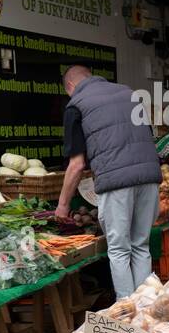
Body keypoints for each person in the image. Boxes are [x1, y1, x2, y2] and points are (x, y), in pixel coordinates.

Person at [57, 65, 162, 298]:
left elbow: (76, 164)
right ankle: (148, 307)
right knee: (140, 246)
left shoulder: (76, 105)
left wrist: (63, 204)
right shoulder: (128, 93)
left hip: (116, 181)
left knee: (119, 250)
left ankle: (126, 310)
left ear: (71, 87)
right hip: (149, 177)